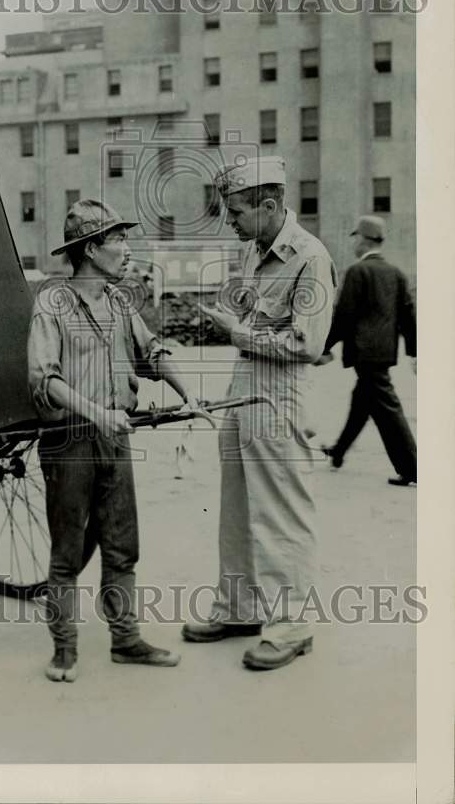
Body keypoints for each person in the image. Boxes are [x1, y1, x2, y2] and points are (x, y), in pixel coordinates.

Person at [28, 199, 200, 682]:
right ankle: (64, 651)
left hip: (115, 439)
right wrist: (97, 413)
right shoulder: (52, 305)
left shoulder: (120, 303)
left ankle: (126, 641)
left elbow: (151, 351)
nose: (127, 249)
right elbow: (45, 379)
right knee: (67, 554)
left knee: (122, 546)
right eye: (117, 240)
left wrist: (187, 392)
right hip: (69, 441)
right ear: (89, 249)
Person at [181, 157, 337, 671]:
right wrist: (225, 319)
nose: (231, 223)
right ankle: (240, 609)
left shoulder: (309, 257)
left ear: (269, 206)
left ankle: (292, 627)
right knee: (238, 508)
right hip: (244, 384)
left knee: (281, 513)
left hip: (279, 391)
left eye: (237, 212)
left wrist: (238, 331)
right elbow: (251, 315)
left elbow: (307, 343)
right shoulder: (253, 251)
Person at [319, 215, 416, 486]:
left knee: (388, 409)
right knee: (362, 401)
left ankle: (414, 468)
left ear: (363, 240)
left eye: (356, 238)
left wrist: (323, 346)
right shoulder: (396, 273)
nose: (355, 244)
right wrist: (414, 351)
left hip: (364, 353)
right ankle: (338, 452)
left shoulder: (357, 272)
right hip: (384, 351)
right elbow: (408, 313)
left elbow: (343, 316)